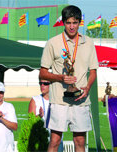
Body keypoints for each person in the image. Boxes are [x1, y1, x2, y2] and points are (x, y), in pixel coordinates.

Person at [39, 5, 98, 152]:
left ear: (80, 22)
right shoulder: (53, 42)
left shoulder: (88, 42)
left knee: (80, 141)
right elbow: (43, 73)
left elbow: (93, 72)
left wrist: (88, 88)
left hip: (81, 100)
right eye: (68, 22)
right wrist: (60, 78)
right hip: (60, 99)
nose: (72, 26)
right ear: (63, 22)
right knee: (54, 140)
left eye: (75, 22)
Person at [28, 79, 63, 152]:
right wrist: (39, 116)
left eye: (45, 83)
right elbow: (30, 122)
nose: (42, 85)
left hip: (56, 138)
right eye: (40, 83)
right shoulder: (35, 100)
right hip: (41, 138)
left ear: (51, 85)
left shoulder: (59, 100)